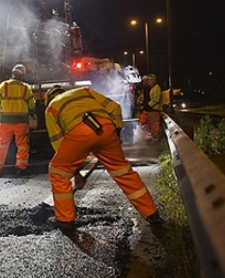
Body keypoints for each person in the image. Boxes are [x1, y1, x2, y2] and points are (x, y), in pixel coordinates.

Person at [44, 85, 162, 230]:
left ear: (49, 98)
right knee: (123, 171)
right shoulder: (84, 91)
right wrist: (115, 133)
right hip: (106, 128)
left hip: (79, 133)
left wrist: (75, 172)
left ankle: (65, 219)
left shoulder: (51, 108)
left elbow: (58, 143)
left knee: (57, 172)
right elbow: (115, 107)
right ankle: (151, 213)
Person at [0, 64, 36, 177]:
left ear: (12, 74)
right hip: (21, 122)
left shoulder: (4, 85)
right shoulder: (26, 88)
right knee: (22, 145)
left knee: (1, 145)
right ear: (22, 76)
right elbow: (32, 106)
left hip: (5, 122)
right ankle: (21, 169)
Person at [143, 74, 162, 143]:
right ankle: (153, 137)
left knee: (154, 124)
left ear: (154, 80)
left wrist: (148, 105)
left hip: (154, 109)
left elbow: (156, 99)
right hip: (151, 109)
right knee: (151, 124)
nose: (149, 82)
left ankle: (155, 138)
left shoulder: (156, 88)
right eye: (148, 80)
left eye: (150, 80)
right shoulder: (152, 88)